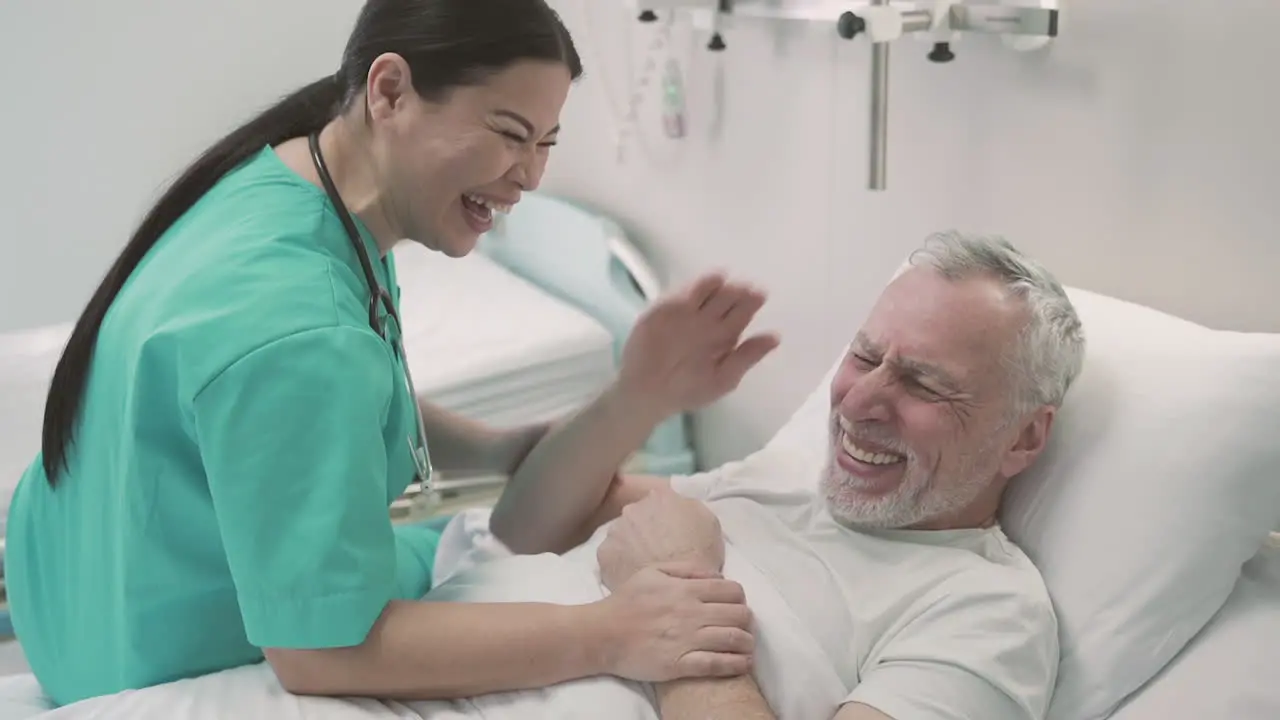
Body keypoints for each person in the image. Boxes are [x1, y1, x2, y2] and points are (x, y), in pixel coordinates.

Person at [4, 0, 781, 708]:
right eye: (510, 134)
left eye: (546, 143)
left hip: (76, 596)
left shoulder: (290, 182)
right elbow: (325, 653)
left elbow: (348, 400)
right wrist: (612, 631)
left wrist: (526, 440)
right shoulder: (301, 331)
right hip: (154, 657)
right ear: (389, 91)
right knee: (512, 540)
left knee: (528, 517)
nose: (531, 177)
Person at [385, 231, 1082, 720]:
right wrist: (641, 395)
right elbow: (523, 524)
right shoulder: (779, 478)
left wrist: (677, 586)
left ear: (1023, 436)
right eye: (865, 357)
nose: (862, 402)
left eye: (924, 384)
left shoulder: (986, 610)